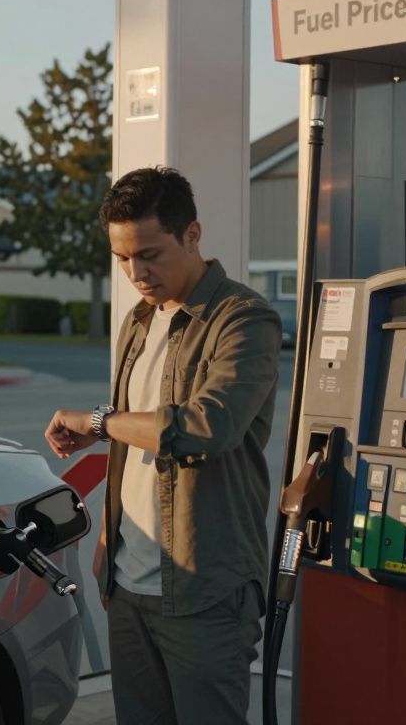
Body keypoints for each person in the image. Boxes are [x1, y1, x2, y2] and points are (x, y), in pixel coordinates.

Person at [44, 166, 282, 724]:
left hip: (204, 588)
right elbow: (132, 445)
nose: (136, 272)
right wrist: (109, 540)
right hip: (129, 585)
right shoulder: (138, 321)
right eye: (122, 258)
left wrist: (98, 423)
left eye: (149, 254)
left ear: (192, 234)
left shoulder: (244, 320)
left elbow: (204, 427)